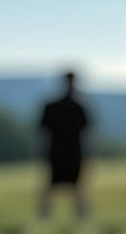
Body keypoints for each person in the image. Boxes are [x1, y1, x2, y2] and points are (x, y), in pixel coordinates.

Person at [38, 70, 91, 218]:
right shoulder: (78, 107)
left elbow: (43, 131)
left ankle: (45, 217)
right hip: (72, 152)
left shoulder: (52, 107)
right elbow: (86, 131)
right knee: (77, 187)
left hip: (57, 152)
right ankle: (81, 217)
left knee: (53, 187)